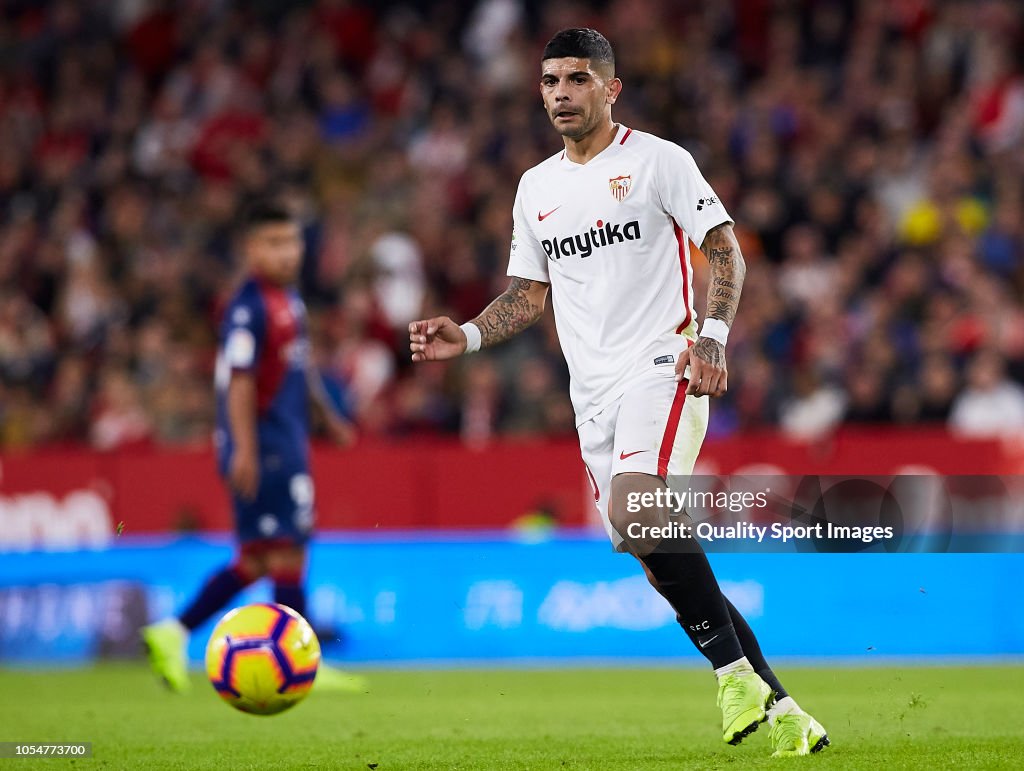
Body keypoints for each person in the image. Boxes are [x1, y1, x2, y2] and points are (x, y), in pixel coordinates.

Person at [408, 29, 828, 757]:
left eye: (576, 79)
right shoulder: (536, 188)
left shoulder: (660, 161)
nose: (561, 93)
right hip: (591, 395)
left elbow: (724, 250)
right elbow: (529, 292)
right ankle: (783, 706)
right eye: (549, 81)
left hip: (664, 362)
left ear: (611, 89)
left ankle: (731, 675)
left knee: (640, 504)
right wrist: (468, 336)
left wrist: (713, 339)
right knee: (659, 556)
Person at [143, 200, 363, 694]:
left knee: (266, 557)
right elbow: (240, 380)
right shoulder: (249, 306)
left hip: (285, 439)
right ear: (250, 248)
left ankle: (173, 630)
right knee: (284, 550)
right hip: (264, 446)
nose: (287, 253)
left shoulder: (289, 300)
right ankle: (304, 660)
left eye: (292, 241)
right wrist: (243, 448)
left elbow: (300, 366)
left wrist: (328, 416)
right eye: (273, 243)